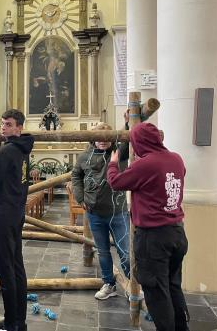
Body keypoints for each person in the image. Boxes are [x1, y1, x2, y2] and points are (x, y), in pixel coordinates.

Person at [107, 122, 189, 331]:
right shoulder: (176, 158)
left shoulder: (146, 164)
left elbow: (116, 182)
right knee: (172, 287)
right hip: (177, 233)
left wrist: (113, 163)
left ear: (139, 142)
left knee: (156, 294)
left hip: (154, 238)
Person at [0, 109, 34, 331]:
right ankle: (18, 321)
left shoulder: (7, 151)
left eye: (9, 124)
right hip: (17, 211)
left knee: (5, 269)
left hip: (4, 214)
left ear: (19, 127)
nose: (4, 127)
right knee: (16, 266)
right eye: (2, 123)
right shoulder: (23, 149)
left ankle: (11, 324)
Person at [71, 122, 130, 300]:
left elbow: (127, 139)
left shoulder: (118, 153)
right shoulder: (84, 157)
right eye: (99, 138)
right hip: (95, 213)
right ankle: (109, 284)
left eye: (106, 138)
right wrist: (80, 198)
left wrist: (128, 122)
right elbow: (76, 176)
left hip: (117, 212)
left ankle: (133, 286)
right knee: (103, 251)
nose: (102, 141)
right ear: (93, 140)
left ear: (111, 139)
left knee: (125, 252)